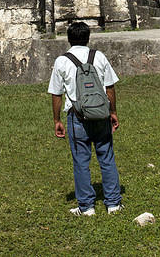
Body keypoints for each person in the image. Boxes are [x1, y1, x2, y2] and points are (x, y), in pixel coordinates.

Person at [48, 21, 122, 217]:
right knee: (106, 157)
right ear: (88, 38)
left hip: (76, 116)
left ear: (69, 39)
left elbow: (56, 93)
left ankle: (86, 206)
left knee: (81, 161)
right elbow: (110, 87)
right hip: (100, 114)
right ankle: (113, 203)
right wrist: (112, 112)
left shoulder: (62, 61)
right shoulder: (99, 57)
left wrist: (57, 120)